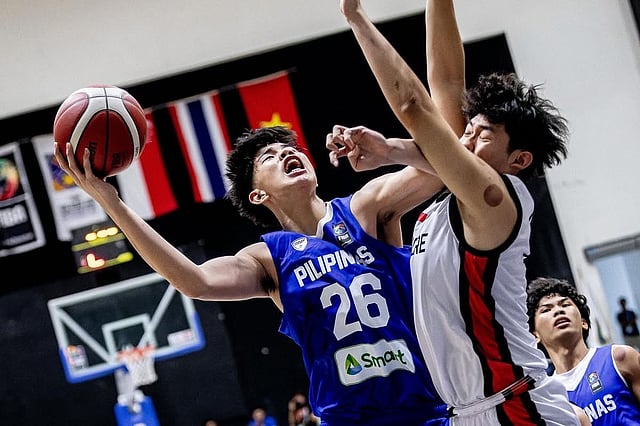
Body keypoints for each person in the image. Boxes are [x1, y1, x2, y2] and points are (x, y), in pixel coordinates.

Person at [53, 125, 449, 425]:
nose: (286, 153)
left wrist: (391, 150)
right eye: (269, 158)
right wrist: (113, 203)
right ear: (259, 195)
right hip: (348, 419)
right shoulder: (269, 258)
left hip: (430, 407)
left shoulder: (365, 208)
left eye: (291, 149)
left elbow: (452, 166)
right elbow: (194, 282)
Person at [330, 0, 583, 424]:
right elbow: (447, 82)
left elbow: (414, 106)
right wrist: (390, 150)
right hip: (464, 413)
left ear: (518, 159)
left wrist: (355, 16)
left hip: (515, 406)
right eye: (467, 130)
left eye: (482, 135)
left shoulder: (500, 199)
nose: (464, 140)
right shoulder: (443, 206)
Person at [527, 277, 640, 424]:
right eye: (546, 310)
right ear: (535, 335)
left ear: (583, 322)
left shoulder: (620, 357)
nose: (558, 311)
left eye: (565, 304)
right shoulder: (549, 398)